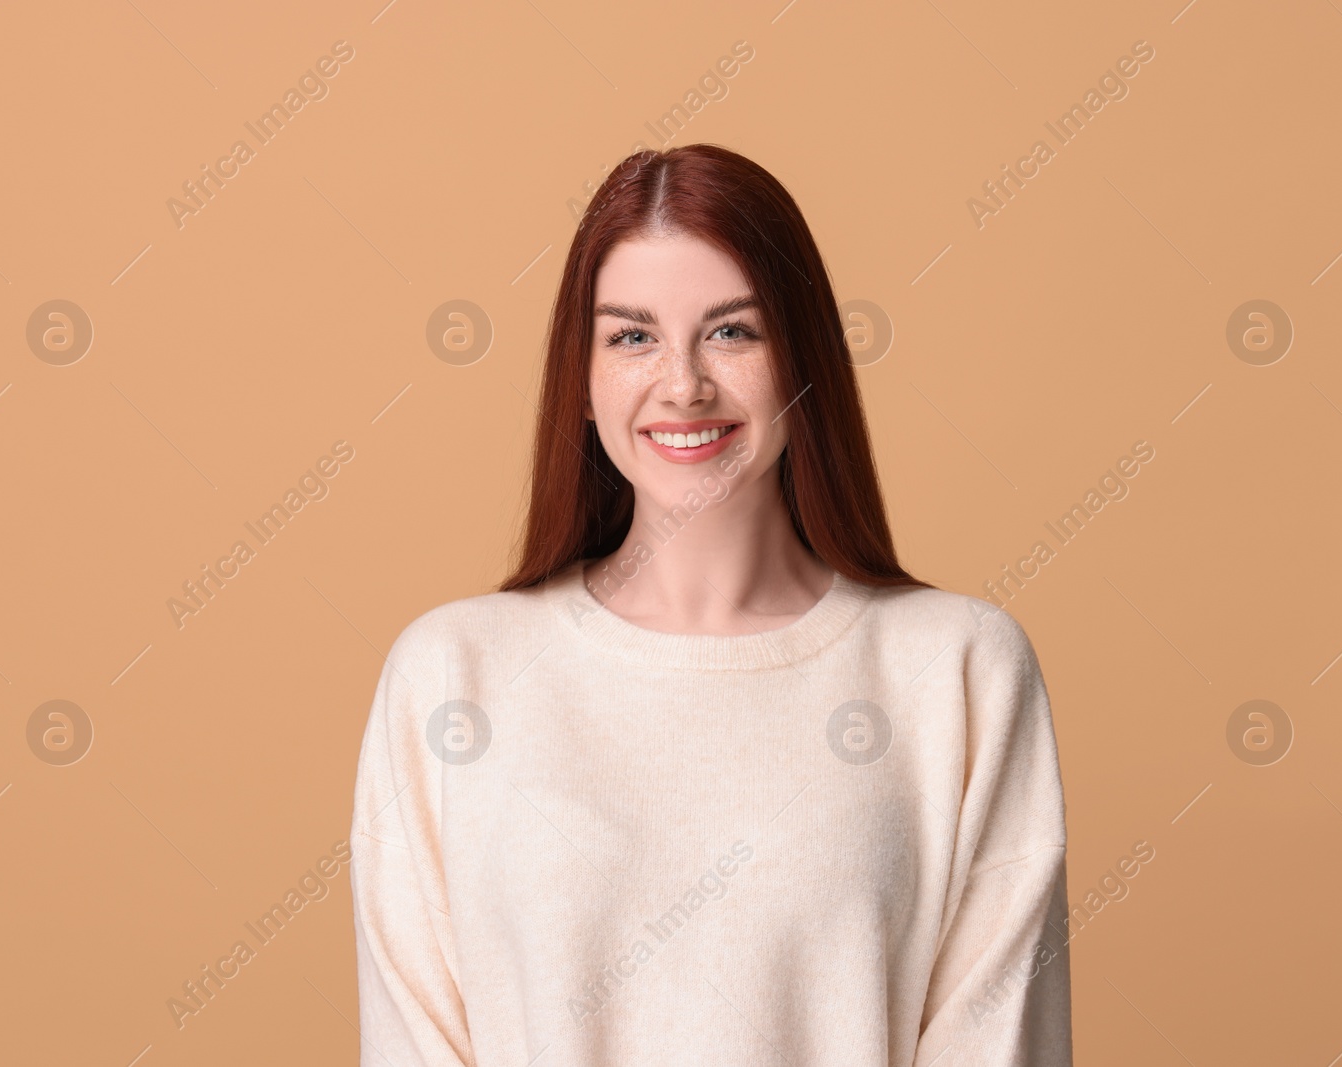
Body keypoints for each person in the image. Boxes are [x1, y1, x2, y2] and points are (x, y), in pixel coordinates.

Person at [349, 143, 1072, 1066]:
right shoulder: (452, 676)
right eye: (632, 336)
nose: (684, 383)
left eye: (733, 331)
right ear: (581, 376)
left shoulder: (959, 669)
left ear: (804, 360)